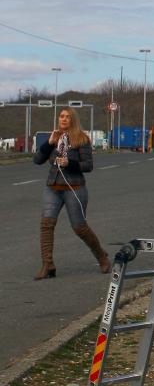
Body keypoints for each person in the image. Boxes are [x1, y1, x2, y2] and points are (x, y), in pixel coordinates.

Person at [33, 107, 111, 278]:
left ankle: (101, 256)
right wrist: (49, 143)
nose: (64, 119)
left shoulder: (82, 139)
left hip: (74, 188)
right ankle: (48, 264)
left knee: (79, 228)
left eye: (68, 117)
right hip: (52, 188)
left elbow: (88, 166)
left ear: (73, 120)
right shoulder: (54, 137)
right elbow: (37, 160)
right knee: (46, 225)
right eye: (61, 116)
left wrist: (70, 163)